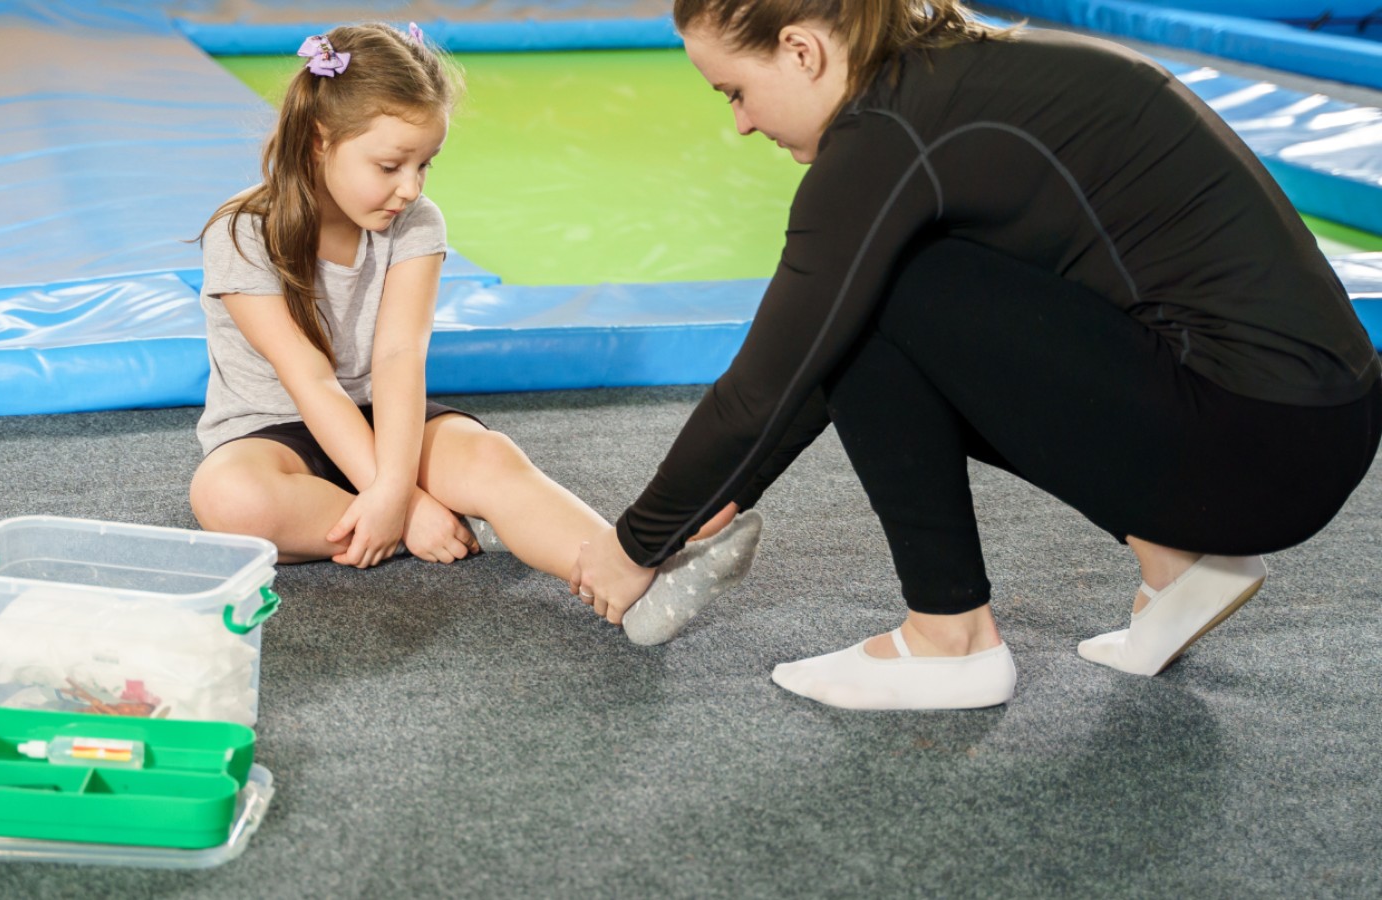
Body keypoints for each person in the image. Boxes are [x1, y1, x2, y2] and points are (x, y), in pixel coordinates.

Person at [570, 0, 1382, 709]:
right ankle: (1175, 565)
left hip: (1251, 445)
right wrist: (723, 494)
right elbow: (829, 371)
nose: (740, 122)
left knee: (887, 285)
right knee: (886, 287)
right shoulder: (951, 81)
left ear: (802, 49)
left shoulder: (882, 136)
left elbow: (768, 381)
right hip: (1311, 427)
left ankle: (948, 640)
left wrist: (632, 544)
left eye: (735, 92)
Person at [189, 24, 762, 619]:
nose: (410, 188)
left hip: (389, 421)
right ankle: (456, 527)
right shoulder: (242, 231)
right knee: (230, 500)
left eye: (425, 165)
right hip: (271, 434)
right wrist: (403, 502)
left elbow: (397, 358)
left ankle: (641, 582)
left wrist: (396, 484)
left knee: (492, 459)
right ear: (317, 141)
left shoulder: (415, 223)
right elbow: (309, 379)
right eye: (389, 165)